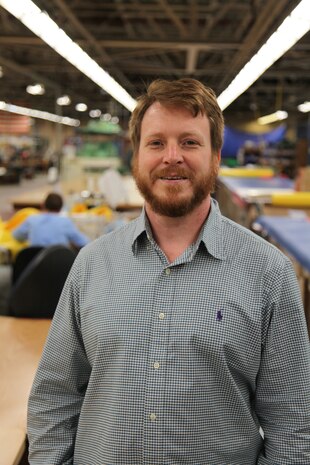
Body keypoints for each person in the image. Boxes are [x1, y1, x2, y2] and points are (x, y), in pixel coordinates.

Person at [27, 79, 310, 465]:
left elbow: (293, 423)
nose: (171, 156)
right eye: (156, 143)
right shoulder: (92, 264)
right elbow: (54, 396)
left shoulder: (268, 273)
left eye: (190, 142)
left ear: (215, 157)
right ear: (137, 158)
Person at [12, 192, 89, 249]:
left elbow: (16, 236)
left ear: (43, 205)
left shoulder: (31, 219)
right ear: (61, 208)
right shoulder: (65, 222)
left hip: (35, 266)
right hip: (58, 266)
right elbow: (84, 242)